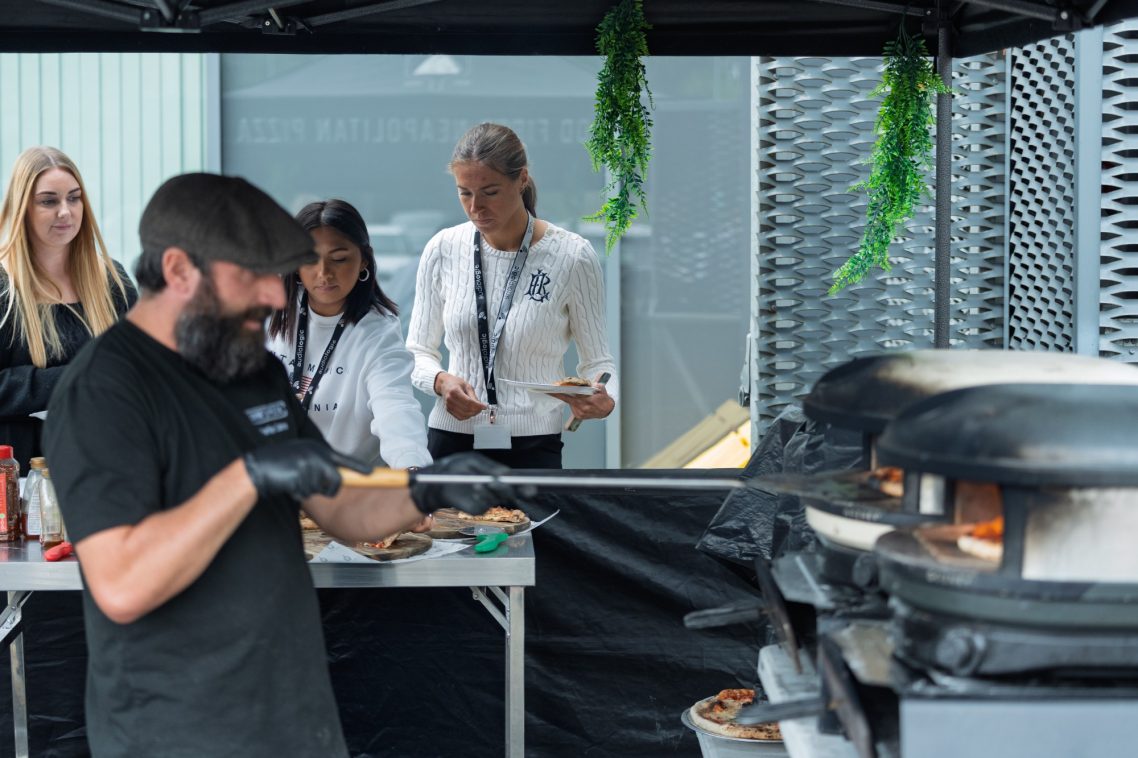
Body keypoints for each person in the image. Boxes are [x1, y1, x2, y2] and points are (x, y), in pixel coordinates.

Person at [42, 173, 527, 758]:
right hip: (178, 728)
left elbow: (344, 506)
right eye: (252, 276)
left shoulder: (254, 371)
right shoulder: (106, 390)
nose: (276, 297)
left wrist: (425, 488)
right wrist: (246, 479)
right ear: (177, 271)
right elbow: (121, 584)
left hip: (294, 715)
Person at [406, 122, 619, 469]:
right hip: (451, 439)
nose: (476, 207)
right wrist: (440, 382)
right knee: (448, 527)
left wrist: (605, 400)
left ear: (521, 180)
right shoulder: (443, 248)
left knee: (533, 526)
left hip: (533, 446)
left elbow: (599, 363)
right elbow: (416, 352)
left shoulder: (572, 255)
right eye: (464, 193)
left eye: (490, 192)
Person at [267, 199, 431, 470]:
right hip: (278, 484)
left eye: (339, 259)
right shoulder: (270, 314)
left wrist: (412, 472)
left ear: (364, 258)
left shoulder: (377, 331)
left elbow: (395, 407)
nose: (324, 273)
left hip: (349, 492)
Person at [0, 146, 136, 470]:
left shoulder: (111, 282)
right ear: (22, 208)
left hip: (102, 467)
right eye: (49, 201)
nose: (66, 211)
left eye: (74, 198)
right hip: (17, 480)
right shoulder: (4, 288)